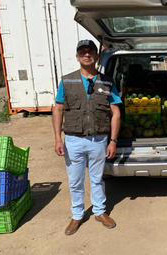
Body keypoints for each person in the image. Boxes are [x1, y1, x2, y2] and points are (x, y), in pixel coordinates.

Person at [53, 39, 122, 235]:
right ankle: (77, 215)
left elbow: (115, 112)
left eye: (90, 51)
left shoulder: (107, 81)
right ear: (77, 57)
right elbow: (58, 110)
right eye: (82, 52)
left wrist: (113, 141)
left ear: (96, 56)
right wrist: (58, 139)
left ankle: (100, 211)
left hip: (98, 140)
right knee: (75, 180)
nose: (86, 54)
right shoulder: (67, 81)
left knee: (97, 178)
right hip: (73, 140)